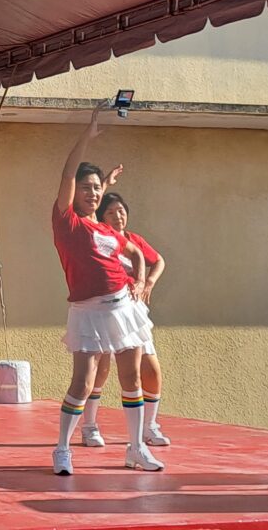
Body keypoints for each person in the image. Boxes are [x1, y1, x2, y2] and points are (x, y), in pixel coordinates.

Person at [51, 108, 163, 476]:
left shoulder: (108, 231)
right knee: (83, 382)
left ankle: (136, 448)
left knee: (131, 379)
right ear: (75, 191)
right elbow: (68, 172)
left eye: (98, 188)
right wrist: (88, 134)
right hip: (87, 311)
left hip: (123, 308)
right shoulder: (67, 221)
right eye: (87, 187)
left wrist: (140, 281)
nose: (93, 193)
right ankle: (62, 449)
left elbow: (137, 254)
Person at [80, 184, 170, 448]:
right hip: (105, 311)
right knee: (100, 369)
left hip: (133, 313)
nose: (118, 216)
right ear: (102, 216)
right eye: (111, 212)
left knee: (149, 369)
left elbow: (158, 260)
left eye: (121, 211)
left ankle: (149, 427)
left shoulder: (134, 240)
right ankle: (89, 426)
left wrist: (148, 282)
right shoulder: (99, 238)